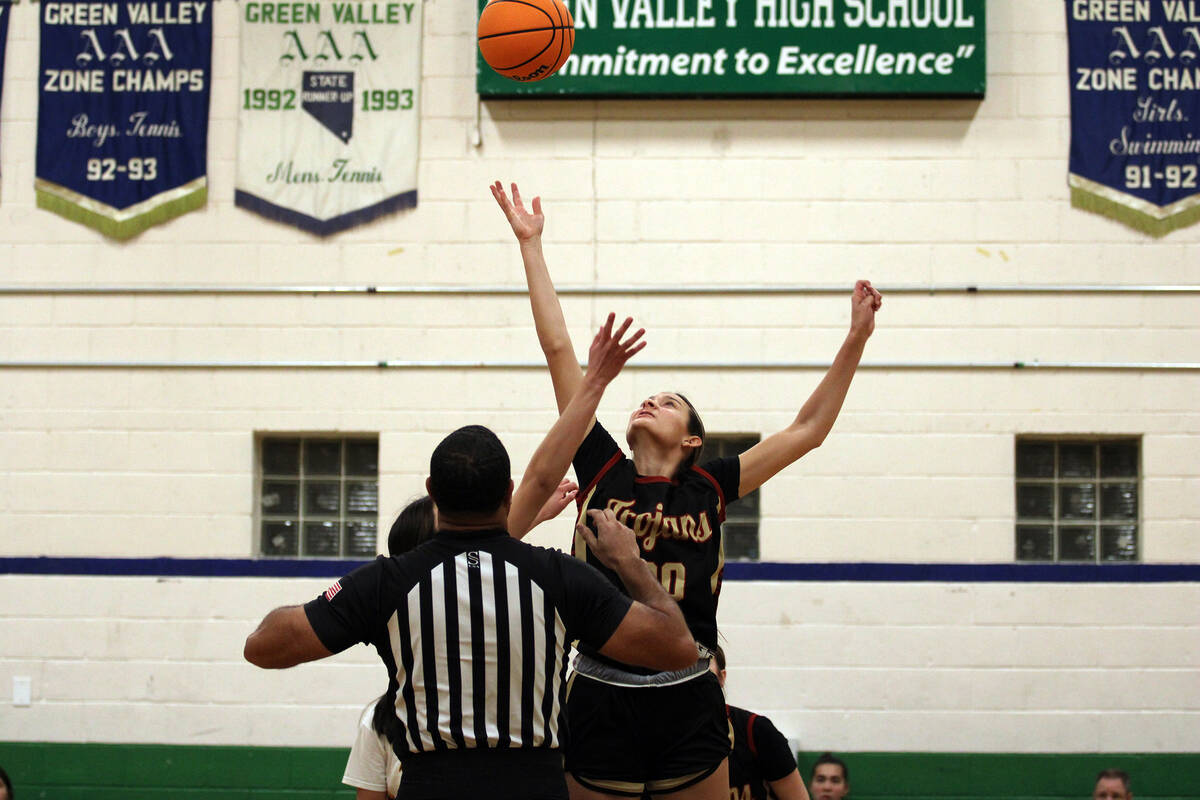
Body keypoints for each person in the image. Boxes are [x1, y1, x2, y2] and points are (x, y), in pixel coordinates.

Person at [492, 181, 882, 800]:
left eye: (667, 401)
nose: (648, 399)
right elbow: (559, 348)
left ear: (693, 439)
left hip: (688, 682)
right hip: (599, 683)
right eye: (646, 396)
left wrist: (856, 337)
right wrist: (530, 246)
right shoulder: (601, 466)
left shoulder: (712, 484)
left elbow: (808, 430)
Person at [246, 316, 700, 800]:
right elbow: (677, 648)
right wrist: (630, 562)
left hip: (431, 785)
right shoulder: (556, 576)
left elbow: (262, 647)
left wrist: (335, 602)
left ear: (431, 493)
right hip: (535, 785)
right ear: (507, 494)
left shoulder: (387, 584)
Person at [344, 487, 581, 799]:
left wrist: (532, 511)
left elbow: (484, 563)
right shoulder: (380, 721)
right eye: (454, 533)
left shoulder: (525, 698)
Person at [709, 646, 809, 800]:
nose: (695, 684)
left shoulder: (757, 730)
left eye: (703, 673)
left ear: (721, 678)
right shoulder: (665, 737)